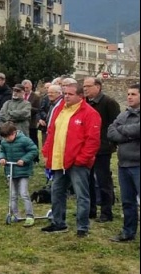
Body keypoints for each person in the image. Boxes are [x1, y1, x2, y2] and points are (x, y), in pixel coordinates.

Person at [41, 83, 101, 237]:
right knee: (57, 191)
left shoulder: (90, 113)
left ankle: (82, 227)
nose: (66, 96)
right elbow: (51, 131)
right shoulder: (60, 110)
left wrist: (81, 159)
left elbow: (92, 141)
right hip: (59, 159)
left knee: (82, 195)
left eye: (70, 94)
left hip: (77, 163)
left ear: (80, 96)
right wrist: (47, 150)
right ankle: (58, 222)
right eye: (65, 93)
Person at [83, 77, 121, 223]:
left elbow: (115, 125)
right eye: (84, 86)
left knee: (103, 180)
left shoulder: (109, 103)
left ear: (98, 86)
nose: (85, 89)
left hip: (102, 148)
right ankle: (91, 210)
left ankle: (106, 212)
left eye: (88, 86)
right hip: (87, 148)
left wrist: (110, 144)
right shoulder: (85, 103)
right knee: (88, 180)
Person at [106, 84, 140, 243]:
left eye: (133, 94)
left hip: (138, 165)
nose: (129, 97)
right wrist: (129, 134)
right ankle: (128, 232)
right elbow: (111, 132)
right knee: (127, 201)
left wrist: (123, 131)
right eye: (128, 94)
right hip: (124, 164)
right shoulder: (124, 114)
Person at [0, 123, 39, 227]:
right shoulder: (4, 142)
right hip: (11, 170)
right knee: (12, 195)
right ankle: (15, 214)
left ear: (14, 133)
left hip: (23, 171)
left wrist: (24, 160)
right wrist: (2, 158)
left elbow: (34, 150)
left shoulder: (24, 140)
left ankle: (30, 215)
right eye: (5, 137)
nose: (7, 139)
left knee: (23, 193)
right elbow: (2, 151)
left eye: (8, 137)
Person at [22, 80, 42, 156]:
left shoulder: (36, 97)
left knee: (33, 140)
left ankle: (35, 157)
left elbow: (38, 109)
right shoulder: (20, 95)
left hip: (31, 123)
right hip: (22, 122)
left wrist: (27, 108)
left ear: (31, 87)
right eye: (24, 88)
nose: (25, 89)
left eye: (27, 87)